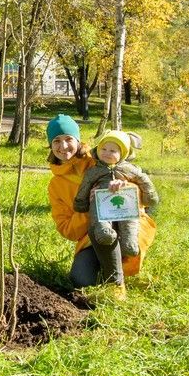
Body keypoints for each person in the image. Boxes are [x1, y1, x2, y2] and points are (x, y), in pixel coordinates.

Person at [44, 113, 156, 294]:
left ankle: (116, 285)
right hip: (94, 235)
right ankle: (107, 266)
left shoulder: (101, 156)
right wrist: (91, 209)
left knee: (119, 245)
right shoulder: (56, 185)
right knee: (81, 280)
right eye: (56, 141)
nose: (63, 146)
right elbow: (67, 229)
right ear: (50, 145)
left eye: (68, 139)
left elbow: (139, 189)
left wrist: (123, 187)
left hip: (128, 225)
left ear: (78, 140)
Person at [72, 130, 160, 286]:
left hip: (126, 208)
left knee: (129, 222)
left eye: (113, 151)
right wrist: (82, 202)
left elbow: (143, 180)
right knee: (99, 217)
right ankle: (103, 232)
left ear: (123, 153)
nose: (107, 153)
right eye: (103, 149)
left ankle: (129, 242)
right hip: (100, 209)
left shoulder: (129, 169)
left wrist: (145, 195)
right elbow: (84, 186)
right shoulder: (94, 171)